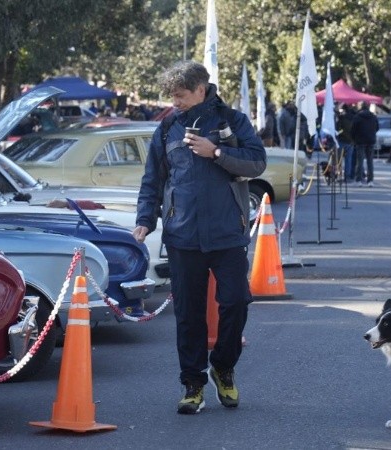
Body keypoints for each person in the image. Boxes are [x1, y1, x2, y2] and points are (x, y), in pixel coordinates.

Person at [133, 60, 266, 415]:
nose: (174, 101)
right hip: (183, 235)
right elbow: (153, 180)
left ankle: (223, 366)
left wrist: (217, 152)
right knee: (189, 316)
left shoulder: (234, 121)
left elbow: (256, 163)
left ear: (201, 90)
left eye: (180, 95)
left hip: (228, 233)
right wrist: (145, 219)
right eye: (171, 96)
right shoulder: (166, 129)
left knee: (236, 302)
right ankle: (193, 383)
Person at [350, 101, 379, 186]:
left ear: (360, 107)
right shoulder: (373, 117)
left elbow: (353, 130)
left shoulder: (357, 117)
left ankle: (358, 180)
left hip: (360, 141)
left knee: (360, 161)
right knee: (370, 162)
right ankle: (370, 181)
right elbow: (377, 128)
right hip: (370, 140)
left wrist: (354, 138)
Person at [337, 104, 356, 181]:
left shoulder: (341, 118)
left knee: (339, 160)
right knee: (348, 160)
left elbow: (338, 130)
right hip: (350, 142)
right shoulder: (353, 118)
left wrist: (340, 133)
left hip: (341, 141)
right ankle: (347, 176)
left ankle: (339, 175)